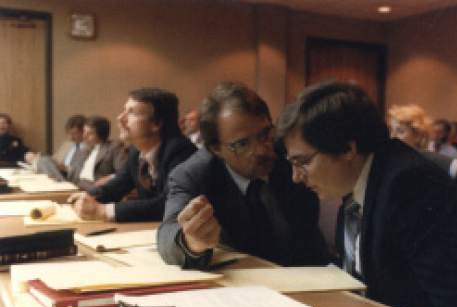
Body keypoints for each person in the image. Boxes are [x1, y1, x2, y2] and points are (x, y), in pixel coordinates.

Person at [277, 81, 457, 307]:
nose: (295, 177)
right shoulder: (362, 178)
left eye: (303, 162)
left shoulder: (409, 187)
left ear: (348, 148)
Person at [157, 81, 328, 269]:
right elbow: (167, 234)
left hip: (311, 270)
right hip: (245, 279)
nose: (261, 150)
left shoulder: (290, 154)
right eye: (242, 144)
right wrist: (190, 242)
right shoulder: (194, 174)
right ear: (216, 149)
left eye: (264, 134)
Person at [68, 88, 197, 222]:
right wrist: (87, 196)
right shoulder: (136, 152)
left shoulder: (182, 152)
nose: (120, 118)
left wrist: (103, 210)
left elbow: (167, 204)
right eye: (124, 110)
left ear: (156, 123)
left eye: (131, 112)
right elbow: (117, 186)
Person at [67, 116, 127, 191]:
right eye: (84, 132)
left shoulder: (114, 147)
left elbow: (122, 171)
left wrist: (109, 178)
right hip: (76, 184)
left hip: (94, 187)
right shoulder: (87, 149)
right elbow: (75, 171)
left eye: (90, 133)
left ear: (101, 135)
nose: (84, 136)